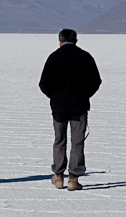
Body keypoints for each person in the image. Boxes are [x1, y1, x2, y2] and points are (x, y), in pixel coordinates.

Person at [38, 28, 102, 191]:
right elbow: (96, 81)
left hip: (59, 107)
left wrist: (55, 96)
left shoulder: (54, 57)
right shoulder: (85, 57)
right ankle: (73, 178)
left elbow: (43, 84)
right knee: (77, 141)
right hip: (79, 107)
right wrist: (84, 95)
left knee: (59, 140)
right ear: (76, 40)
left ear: (60, 40)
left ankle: (58, 176)